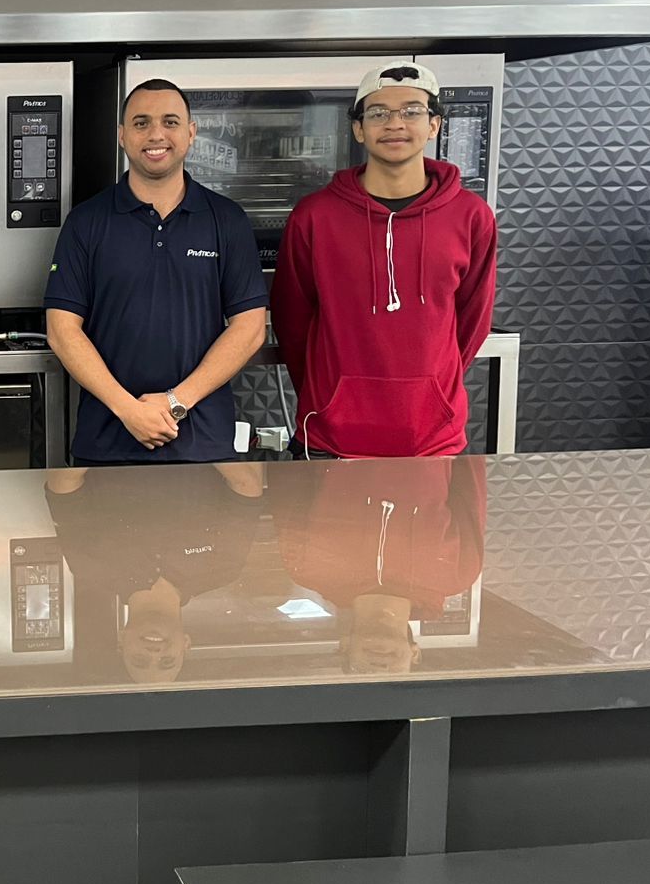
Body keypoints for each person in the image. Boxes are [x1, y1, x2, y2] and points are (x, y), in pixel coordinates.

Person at [272, 61, 498, 459]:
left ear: (434, 125)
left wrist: (429, 392)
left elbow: (472, 322)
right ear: (358, 128)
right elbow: (293, 324)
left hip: (433, 445)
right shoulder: (314, 217)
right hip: (329, 441)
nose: (395, 123)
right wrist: (334, 397)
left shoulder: (471, 216)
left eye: (412, 111)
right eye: (378, 113)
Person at [45, 79, 267, 465]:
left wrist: (175, 403)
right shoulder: (86, 221)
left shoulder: (226, 220)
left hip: (204, 446)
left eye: (170, 121)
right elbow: (62, 331)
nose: (156, 134)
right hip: (106, 446)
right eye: (141, 123)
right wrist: (129, 410)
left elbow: (249, 329)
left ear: (191, 133)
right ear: (122, 135)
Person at [46, 464, 261, 683]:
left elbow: (63, 485)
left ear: (121, 641)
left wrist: (106, 438)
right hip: (204, 433)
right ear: (185, 644)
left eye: (139, 659)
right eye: (167, 661)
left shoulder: (89, 567)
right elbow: (247, 486)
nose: (154, 654)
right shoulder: (224, 568)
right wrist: (200, 440)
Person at [275, 454, 486, 675]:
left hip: (341, 425)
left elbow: (290, 469)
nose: (379, 671)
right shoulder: (458, 572)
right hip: (428, 425)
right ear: (415, 654)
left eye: (363, 674)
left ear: (344, 646)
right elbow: (469, 463)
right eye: (392, 683)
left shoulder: (307, 567)